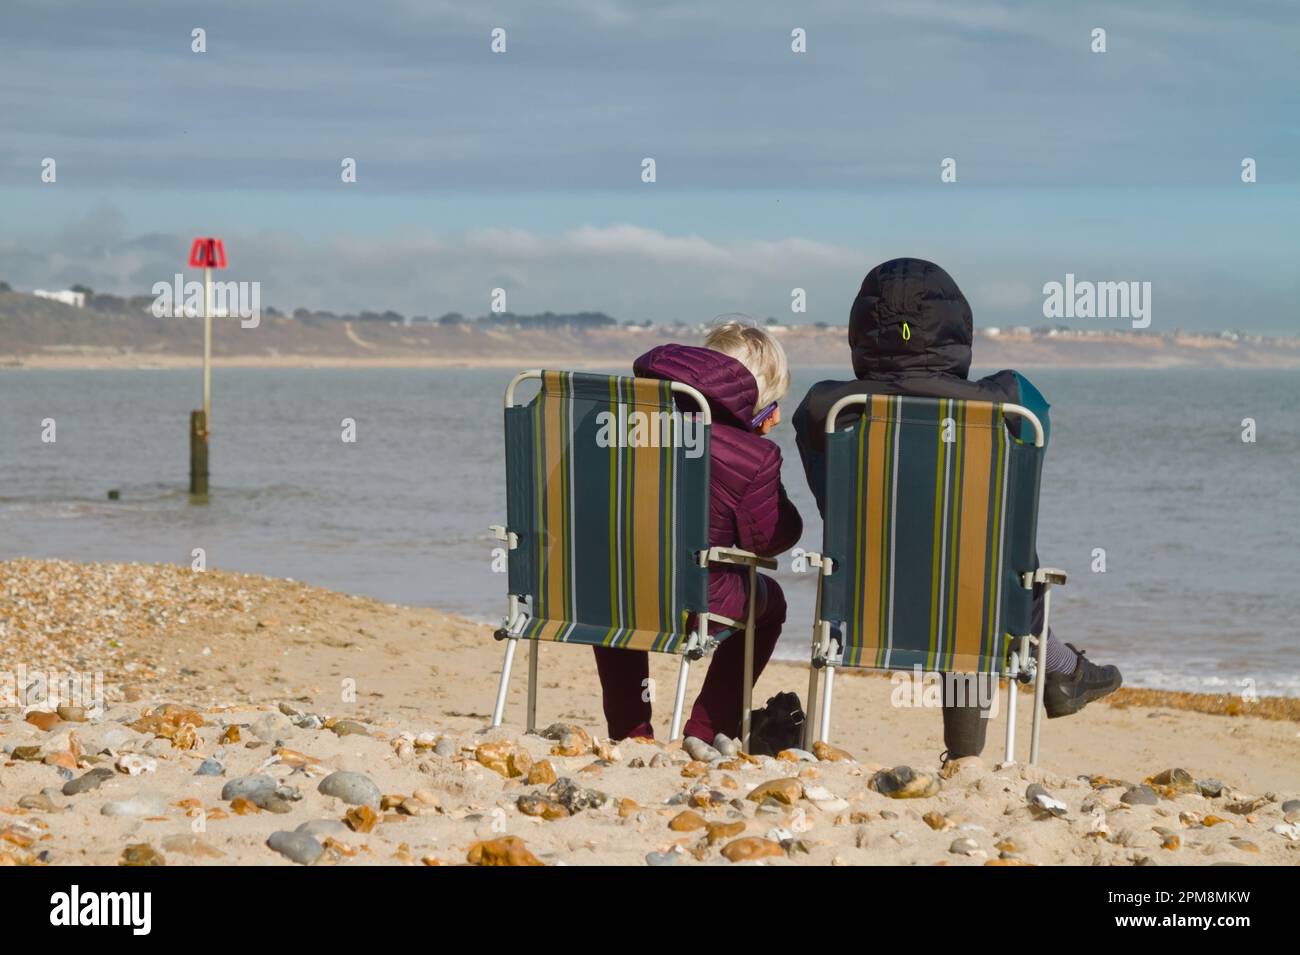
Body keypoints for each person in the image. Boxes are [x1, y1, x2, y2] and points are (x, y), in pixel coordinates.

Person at [792, 258, 1121, 760]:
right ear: (956, 328)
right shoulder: (1011, 402)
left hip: (865, 597)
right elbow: (1023, 481)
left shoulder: (826, 408)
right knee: (979, 566)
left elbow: (827, 499)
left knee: (958, 562)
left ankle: (1063, 671)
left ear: (860, 331)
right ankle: (1009, 717)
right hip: (974, 596)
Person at [593, 319, 802, 744]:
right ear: (757, 396)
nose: (777, 416)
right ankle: (707, 730)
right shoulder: (751, 453)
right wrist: (759, 455)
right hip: (692, 603)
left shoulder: (618, 423)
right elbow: (768, 539)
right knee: (770, 601)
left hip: (596, 592)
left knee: (621, 583)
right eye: (774, 402)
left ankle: (631, 733)